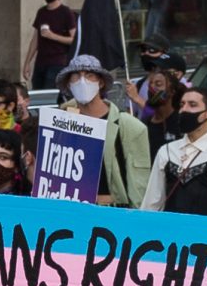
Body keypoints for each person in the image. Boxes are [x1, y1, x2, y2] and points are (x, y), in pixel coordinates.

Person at [56, 54, 149, 208]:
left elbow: (139, 185)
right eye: (76, 77)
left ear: (100, 83)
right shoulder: (61, 121)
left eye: (89, 76)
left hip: (111, 215)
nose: (82, 82)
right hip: (70, 213)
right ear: (68, 84)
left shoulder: (129, 127)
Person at [139, 83, 207, 216]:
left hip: (205, 234)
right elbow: (151, 203)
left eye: (192, 105)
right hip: (168, 233)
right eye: (182, 104)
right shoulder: (166, 151)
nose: (184, 109)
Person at [23, 0, 78, 90]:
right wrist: (27, 62)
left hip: (58, 60)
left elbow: (74, 39)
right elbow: (35, 40)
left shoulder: (66, 13)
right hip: (41, 61)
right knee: (38, 90)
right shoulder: (42, 12)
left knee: (49, 91)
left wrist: (53, 36)